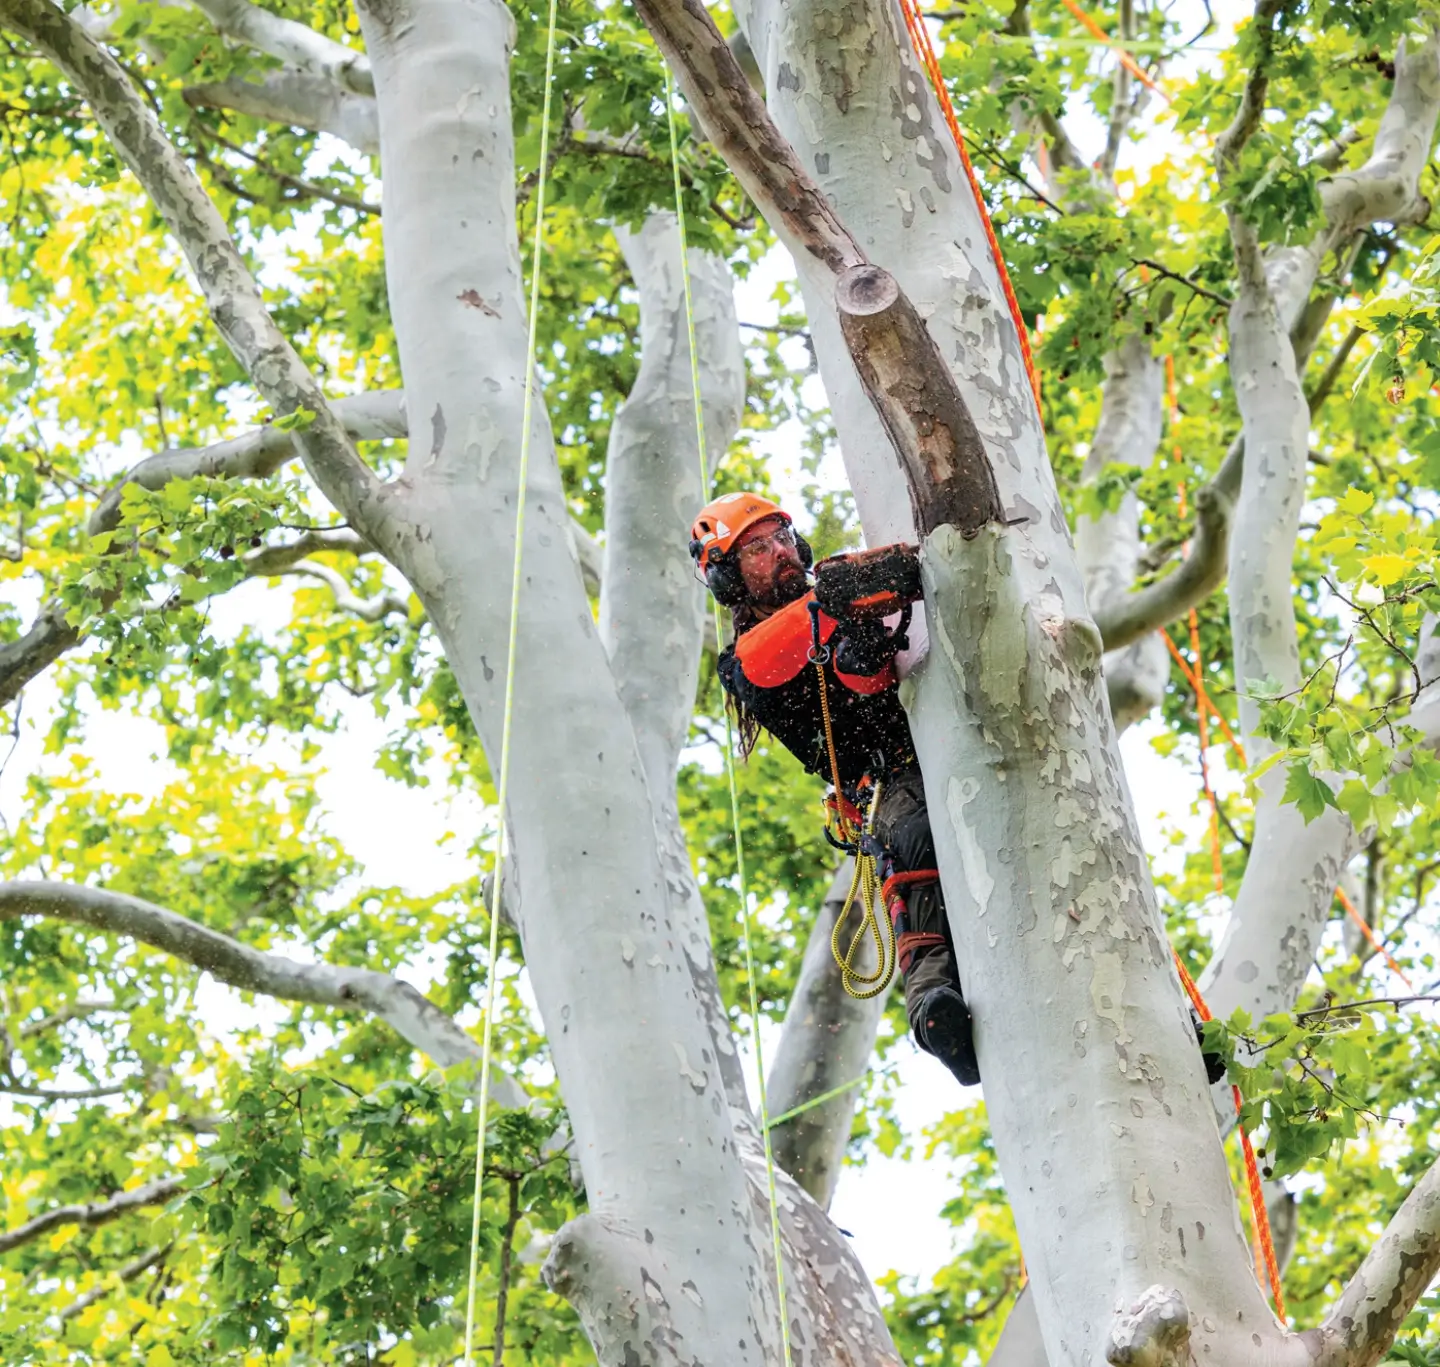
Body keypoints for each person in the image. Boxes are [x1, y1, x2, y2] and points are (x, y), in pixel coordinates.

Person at [688, 491, 981, 1087]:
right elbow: (783, 656)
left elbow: (865, 668)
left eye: (782, 538)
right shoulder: (743, 663)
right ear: (729, 577)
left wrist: (866, 623)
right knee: (915, 834)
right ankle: (931, 1002)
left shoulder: (834, 605)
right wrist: (838, 601)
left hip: (954, 742)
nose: (780, 552)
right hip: (890, 782)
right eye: (757, 548)